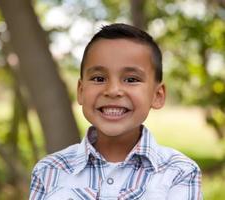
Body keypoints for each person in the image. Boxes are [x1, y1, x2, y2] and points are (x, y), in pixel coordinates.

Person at [29, 23, 202, 200]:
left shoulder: (179, 172)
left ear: (157, 95)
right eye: (99, 78)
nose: (112, 90)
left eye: (131, 79)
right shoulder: (49, 171)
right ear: (81, 91)